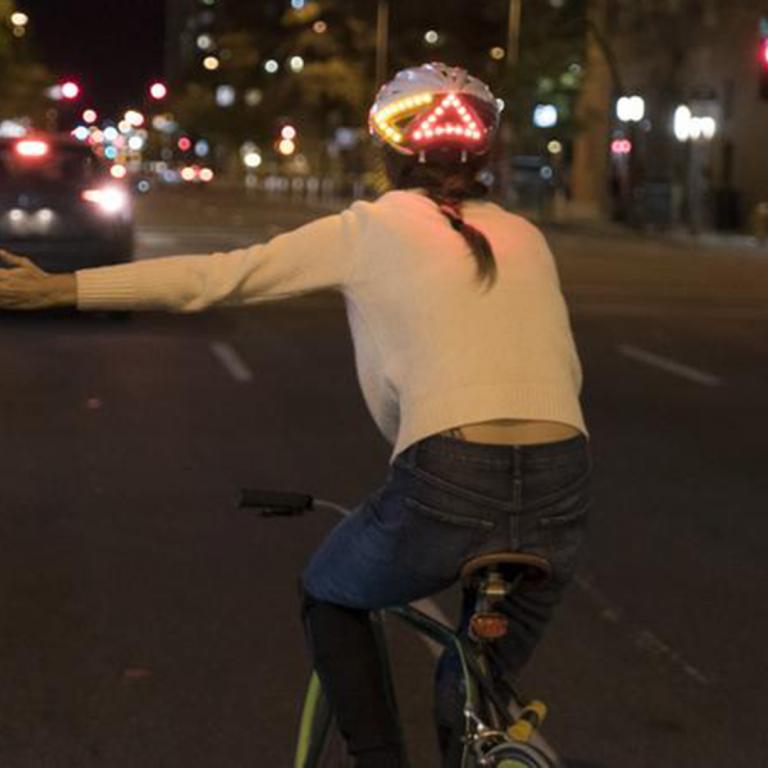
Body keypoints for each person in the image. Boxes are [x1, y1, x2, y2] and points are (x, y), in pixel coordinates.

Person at [0, 62, 592, 768]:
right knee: (472, 683)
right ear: (485, 151)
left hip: (450, 473)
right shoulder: (528, 235)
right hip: (564, 479)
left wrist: (62, 288)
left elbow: (219, 276)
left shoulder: (370, 228)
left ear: (388, 150)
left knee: (329, 592)